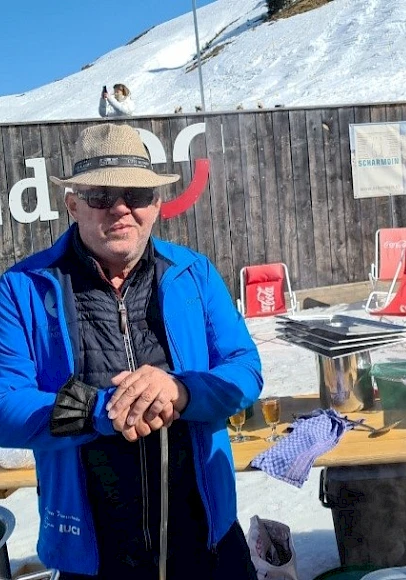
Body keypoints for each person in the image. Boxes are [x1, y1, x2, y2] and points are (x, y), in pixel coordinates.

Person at [0, 123, 262, 579]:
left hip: (207, 541)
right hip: (94, 553)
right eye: (101, 195)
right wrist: (105, 409)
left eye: (137, 195)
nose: (120, 209)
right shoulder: (22, 288)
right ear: (73, 204)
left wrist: (181, 391)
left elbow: (245, 371)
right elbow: (4, 406)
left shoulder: (193, 274)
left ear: (157, 205)